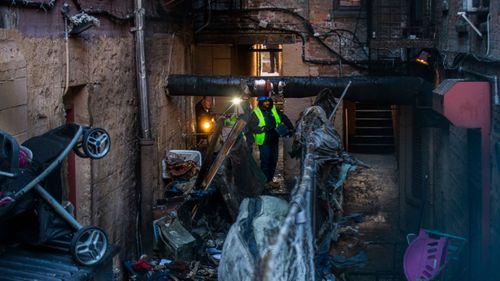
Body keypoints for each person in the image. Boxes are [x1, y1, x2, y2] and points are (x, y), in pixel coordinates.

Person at [247, 96, 294, 187]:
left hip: (274, 139)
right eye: (264, 102)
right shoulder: (256, 113)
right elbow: (252, 127)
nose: (267, 103)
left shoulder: (274, 110)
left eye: (268, 101)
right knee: (265, 161)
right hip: (264, 141)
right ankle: (264, 182)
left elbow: (284, 118)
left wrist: (290, 127)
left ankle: (270, 180)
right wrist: (263, 128)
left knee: (273, 161)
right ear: (260, 103)